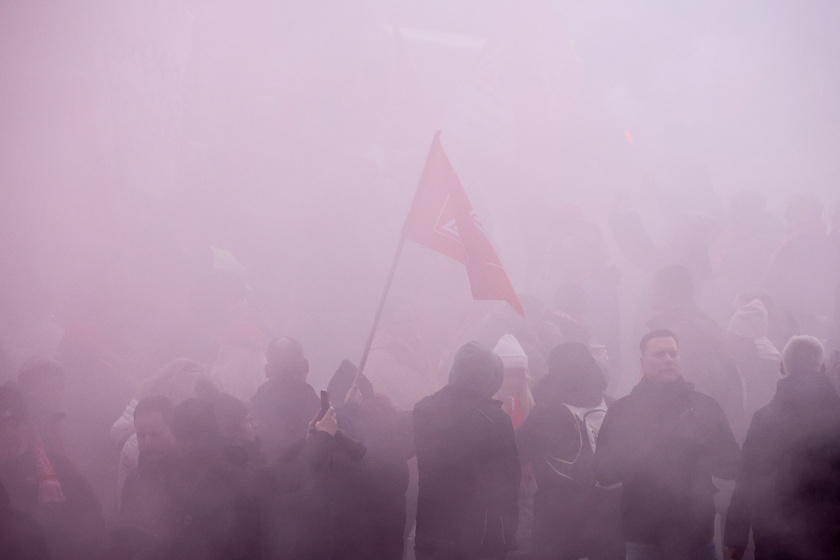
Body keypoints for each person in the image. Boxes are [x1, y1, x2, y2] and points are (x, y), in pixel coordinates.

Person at [593, 329, 740, 560]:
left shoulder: (704, 407)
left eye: (673, 353)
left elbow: (732, 465)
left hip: (697, 534)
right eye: (659, 354)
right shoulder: (623, 411)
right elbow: (603, 472)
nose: (668, 360)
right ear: (643, 362)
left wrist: (698, 450)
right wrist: (642, 455)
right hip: (644, 535)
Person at [724, 336, 840, 560]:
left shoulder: (765, 419)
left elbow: (747, 480)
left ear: (782, 366)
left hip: (775, 541)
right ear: (823, 367)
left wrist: (735, 540)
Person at [413, 342, 520, 560]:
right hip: (479, 539)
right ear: (489, 378)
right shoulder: (495, 420)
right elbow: (509, 482)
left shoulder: (423, 409)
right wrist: (506, 537)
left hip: (431, 533)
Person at [517, 342, 622, 560]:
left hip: (555, 527)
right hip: (609, 523)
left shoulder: (545, 413)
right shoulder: (612, 405)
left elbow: (512, 457)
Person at [0, 385, 105, 560]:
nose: (9, 433)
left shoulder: (59, 467)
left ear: (28, 424)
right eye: (2, 425)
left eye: (16, 424)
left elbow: (91, 521)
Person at [249, 337, 320, 462]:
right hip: (305, 475)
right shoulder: (312, 400)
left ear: (268, 370)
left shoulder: (256, 402)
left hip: (265, 475)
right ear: (305, 366)